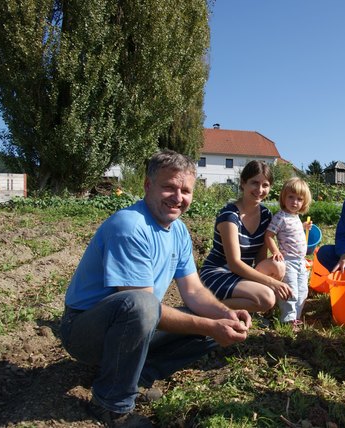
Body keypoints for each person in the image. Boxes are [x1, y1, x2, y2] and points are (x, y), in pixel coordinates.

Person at [60, 150, 252, 427]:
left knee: (216, 321)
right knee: (142, 304)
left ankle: (133, 377)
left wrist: (225, 315)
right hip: (84, 331)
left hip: (132, 323)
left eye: (185, 190)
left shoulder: (179, 231)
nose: (178, 197)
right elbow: (142, 305)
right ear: (148, 186)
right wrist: (209, 326)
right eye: (169, 187)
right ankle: (111, 404)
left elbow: (195, 292)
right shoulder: (130, 226)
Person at [199, 160, 290, 312]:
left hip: (241, 274)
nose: (260, 190)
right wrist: (272, 284)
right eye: (254, 183)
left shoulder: (266, 215)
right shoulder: (230, 216)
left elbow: (260, 259)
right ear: (243, 183)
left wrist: (265, 282)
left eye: (265, 185)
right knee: (267, 298)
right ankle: (205, 308)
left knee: (278, 266)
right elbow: (234, 263)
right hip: (219, 272)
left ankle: (240, 305)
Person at [264, 177, 313, 328]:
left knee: (303, 291)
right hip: (288, 261)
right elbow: (269, 235)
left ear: (304, 202)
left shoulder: (295, 217)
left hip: (300, 261)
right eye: (291, 197)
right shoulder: (280, 217)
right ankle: (288, 320)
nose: (294, 202)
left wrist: (304, 226)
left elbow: (292, 230)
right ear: (283, 197)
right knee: (291, 291)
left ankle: (296, 317)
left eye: (299, 199)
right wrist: (275, 250)